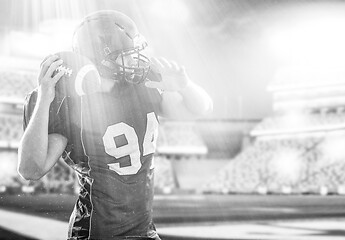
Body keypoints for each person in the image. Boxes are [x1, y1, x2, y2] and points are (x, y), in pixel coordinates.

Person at [17, 10, 213, 240]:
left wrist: (184, 85)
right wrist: (44, 99)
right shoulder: (70, 100)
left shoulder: (142, 86)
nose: (135, 60)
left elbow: (201, 108)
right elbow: (31, 169)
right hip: (97, 232)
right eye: (126, 55)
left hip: (144, 230)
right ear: (101, 57)